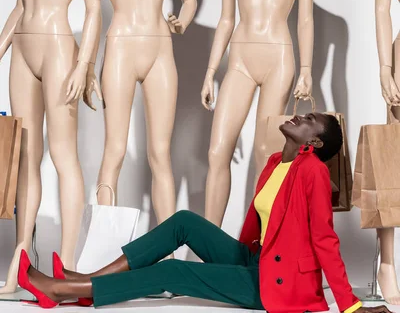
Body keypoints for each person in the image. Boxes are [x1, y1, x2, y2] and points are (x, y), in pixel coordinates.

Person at [18, 108, 392, 313]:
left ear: (314, 141)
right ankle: (85, 280)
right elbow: (257, 224)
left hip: (279, 286)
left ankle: (65, 288)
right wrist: (236, 259)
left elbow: (324, 239)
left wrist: (351, 306)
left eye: (309, 120)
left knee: (175, 272)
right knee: (183, 222)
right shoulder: (276, 161)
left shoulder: (312, 170)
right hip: (258, 260)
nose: (298, 115)